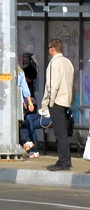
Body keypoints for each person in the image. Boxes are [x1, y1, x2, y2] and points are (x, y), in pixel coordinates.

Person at [41, 38, 75, 171]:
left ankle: (64, 161)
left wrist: (48, 102)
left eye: (49, 47)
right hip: (66, 101)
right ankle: (65, 159)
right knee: (63, 133)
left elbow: (52, 85)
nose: (48, 50)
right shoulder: (68, 63)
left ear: (53, 49)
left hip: (57, 102)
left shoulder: (54, 63)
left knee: (59, 133)